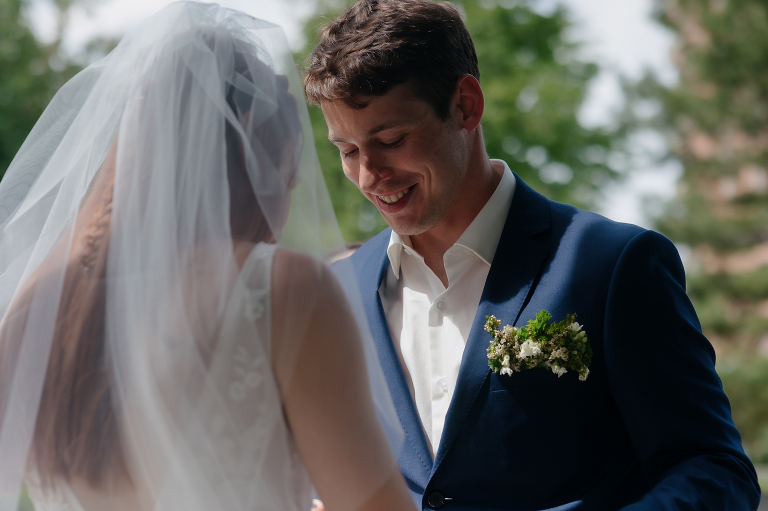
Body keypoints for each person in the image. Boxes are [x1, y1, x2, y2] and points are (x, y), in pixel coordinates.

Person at [304, 0, 762, 509]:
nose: (369, 176)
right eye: (346, 151)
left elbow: (715, 469)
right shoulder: (341, 291)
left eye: (390, 139)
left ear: (465, 105)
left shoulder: (611, 265)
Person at [0, 3, 417, 511]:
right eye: (292, 159)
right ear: (248, 130)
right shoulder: (282, 289)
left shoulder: (33, 307)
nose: (290, 186)